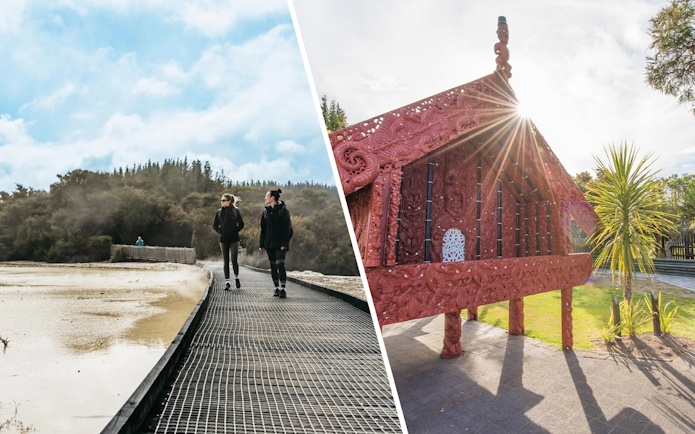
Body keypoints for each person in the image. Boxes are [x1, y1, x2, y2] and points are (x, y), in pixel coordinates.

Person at [259, 189, 293, 298]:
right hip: (269, 244)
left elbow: (288, 228)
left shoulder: (283, 211)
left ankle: (283, 288)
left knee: (280, 265)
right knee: (273, 266)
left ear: (272, 197)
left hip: (280, 243)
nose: (265, 198)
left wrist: (285, 243)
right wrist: (261, 244)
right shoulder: (265, 212)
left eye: (266, 196)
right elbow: (263, 229)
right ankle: (276, 288)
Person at [213, 193, 245, 290]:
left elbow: (241, 224)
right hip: (223, 240)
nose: (221, 202)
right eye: (221, 200)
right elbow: (215, 225)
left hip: (234, 239)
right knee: (225, 261)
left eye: (223, 200)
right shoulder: (219, 212)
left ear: (229, 201)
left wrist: (235, 230)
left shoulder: (235, 211)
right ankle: (227, 282)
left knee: (234, 260)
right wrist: (221, 232)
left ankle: (237, 278)